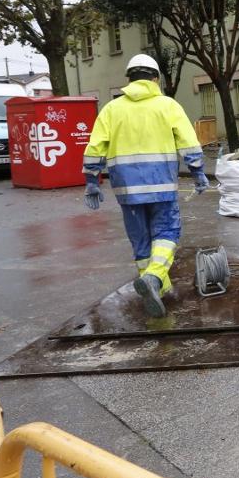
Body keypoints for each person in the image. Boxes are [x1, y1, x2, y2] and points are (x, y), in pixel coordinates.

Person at [82, 54, 209, 319]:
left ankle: (157, 290)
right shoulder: (167, 105)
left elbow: (95, 148)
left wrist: (92, 181)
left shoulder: (111, 109)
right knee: (167, 232)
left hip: (126, 190)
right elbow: (187, 142)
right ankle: (154, 277)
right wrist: (198, 172)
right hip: (160, 185)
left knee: (140, 240)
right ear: (155, 78)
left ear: (128, 79)